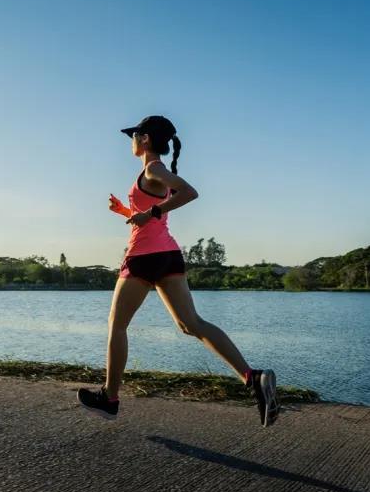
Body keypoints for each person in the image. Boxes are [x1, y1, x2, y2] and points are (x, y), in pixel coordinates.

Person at [77, 115, 279, 427]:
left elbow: (189, 193)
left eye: (134, 136)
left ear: (144, 139)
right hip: (168, 255)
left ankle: (110, 398)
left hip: (144, 257)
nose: (130, 141)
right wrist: (127, 212)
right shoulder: (154, 172)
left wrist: (150, 212)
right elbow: (151, 216)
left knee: (117, 326)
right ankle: (253, 377)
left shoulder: (153, 168)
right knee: (191, 324)